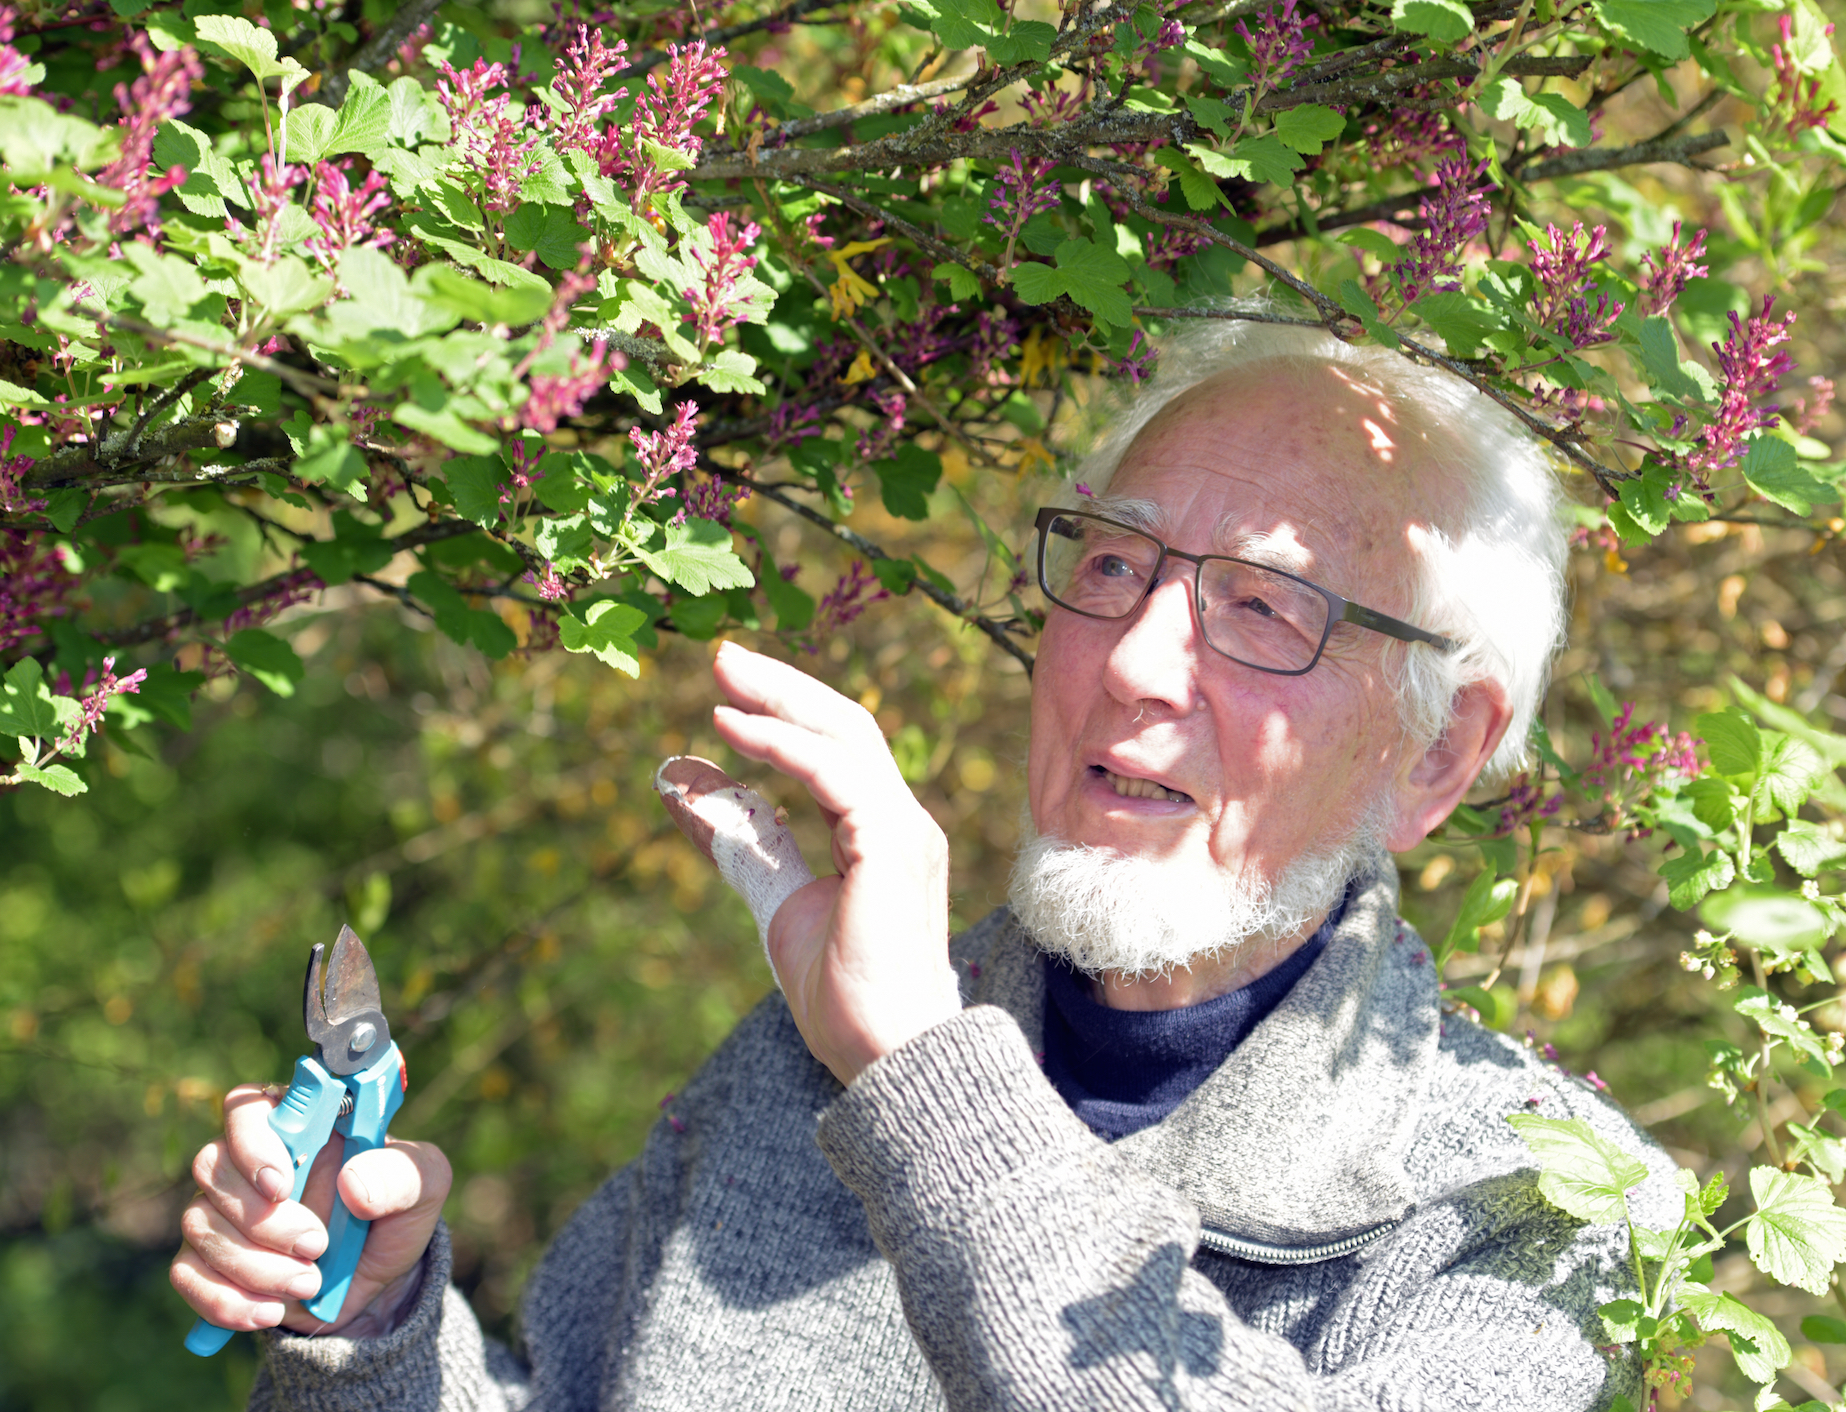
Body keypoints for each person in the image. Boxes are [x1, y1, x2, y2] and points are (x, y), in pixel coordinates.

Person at [172, 319, 1675, 1411]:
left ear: (1437, 753)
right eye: (1111, 567)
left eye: (1267, 611)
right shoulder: (808, 1051)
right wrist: (374, 1331)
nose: (1137, 662)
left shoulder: (1540, 1205)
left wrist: (923, 1074)